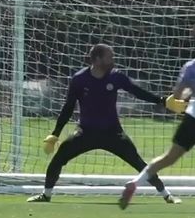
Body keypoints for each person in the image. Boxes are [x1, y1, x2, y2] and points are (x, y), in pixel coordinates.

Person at [27, 43, 186, 203]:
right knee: (58, 158)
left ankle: (166, 194)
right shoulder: (79, 79)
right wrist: (55, 134)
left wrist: (162, 101)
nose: (113, 61)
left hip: (113, 133)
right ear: (97, 59)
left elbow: (137, 91)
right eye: (110, 57)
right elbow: (68, 107)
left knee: (138, 162)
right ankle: (46, 194)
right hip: (85, 133)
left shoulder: (116, 77)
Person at [119, 20, 195, 211]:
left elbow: (177, 95)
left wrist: (188, 95)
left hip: (192, 119)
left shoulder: (191, 66)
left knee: (169, 157)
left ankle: (136, 182)